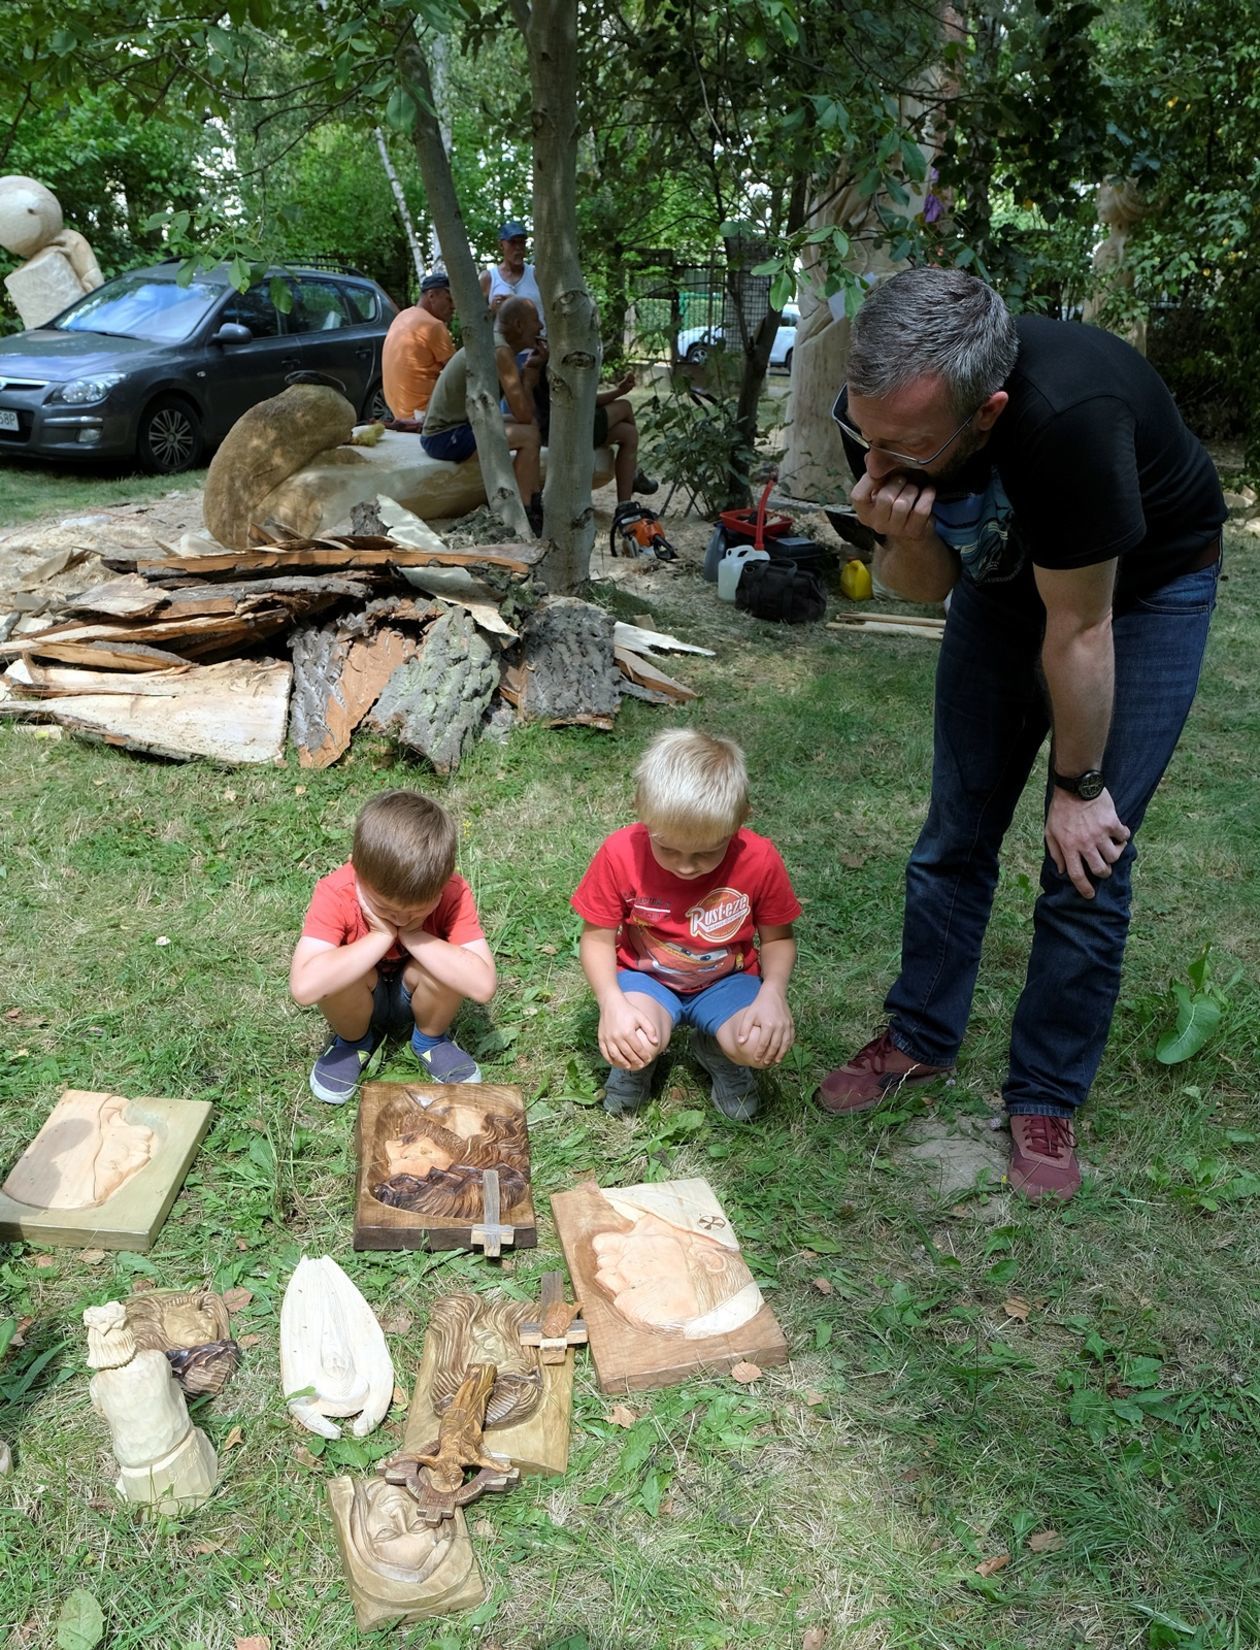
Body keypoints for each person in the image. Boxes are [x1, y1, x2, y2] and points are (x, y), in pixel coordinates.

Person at [818, 266, 1226, 1200]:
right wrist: (907, 538)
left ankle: (1044, 1093)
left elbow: (1081, 629)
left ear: (988, 411)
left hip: (1145, 588)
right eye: (866, 436)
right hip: (1007, 583)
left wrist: (1077, 789)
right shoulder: (892, 408)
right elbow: (926, 590)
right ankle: (920, 1036)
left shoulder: (1068, 420)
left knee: (1088, 856)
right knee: (955, 830)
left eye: (904, 448)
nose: (875, 464)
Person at [572, 729, 800, 1121]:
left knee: (761, 1042)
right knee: (636, 1035)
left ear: (741, 819)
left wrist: (773, 993)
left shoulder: (759, 859)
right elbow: (595, 939)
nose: (685, 866)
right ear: (642, 812)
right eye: (667, 848)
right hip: (647, 981)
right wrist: (611, 1002)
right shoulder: (620, 853)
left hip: (727, 982)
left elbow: (778, 938)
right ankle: (636, 1063)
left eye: (709, 851)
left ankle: (717, 1049)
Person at [290, 790, 497, 1104]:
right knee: (335, 974)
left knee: (447, 966)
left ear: (444, 882)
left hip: (418, 992)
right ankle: (353, 1042)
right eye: (385, 909)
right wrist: (380, 937)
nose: (401, 919)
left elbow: (482, 986)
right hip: (361, 994)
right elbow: (304, 988)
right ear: (355, 868)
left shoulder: (454, 892)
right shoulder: (335, 891)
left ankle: (430, 1040)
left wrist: (414, 937)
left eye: (417, 911)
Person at [504, 297, 659, 510]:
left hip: (569, 422)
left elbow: (584, 402)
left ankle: (625, 505)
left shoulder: (554, 350)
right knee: (625, 407)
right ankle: (633, 474)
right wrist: (619, 394)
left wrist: (619, 391)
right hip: (559, 429)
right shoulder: (560, 355)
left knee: (628, 434)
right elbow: (576, 405)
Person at [420, 299, 544, 530]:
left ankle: (534, 498)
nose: (540, 328)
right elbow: (524, 415)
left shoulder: (494, 344)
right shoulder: (501, 352)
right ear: (518, 325)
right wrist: (529, 377)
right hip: (445, 436)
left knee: (531, 430)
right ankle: (523, 514)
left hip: (461, 426)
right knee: (528, 436)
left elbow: (525, 417)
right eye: (536, 320)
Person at [381, 272, 456, 422]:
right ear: (431, 295)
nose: (453, 306)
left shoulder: (403, 316)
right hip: (423, 414)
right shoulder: (433, 326)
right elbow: (458, 371)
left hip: (399, 412)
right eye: (449, 299)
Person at [479, 219, 543, 312]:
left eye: (521, 242)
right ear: (501, 245)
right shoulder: (488, 278)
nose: (518, 248)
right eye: (512, 242)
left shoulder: (537, 275)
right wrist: (491, 310)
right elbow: (478, 317)